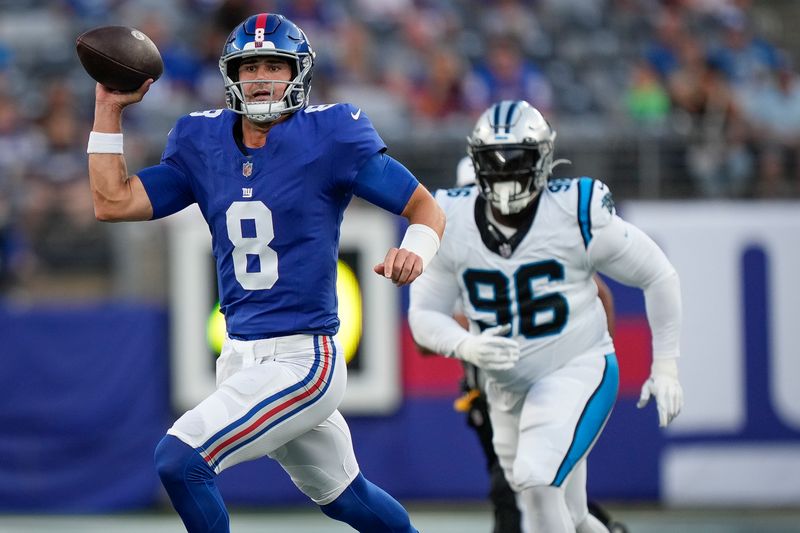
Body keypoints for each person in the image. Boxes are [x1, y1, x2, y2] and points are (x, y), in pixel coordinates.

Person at [85, 13, 445, 533]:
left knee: (181, 460)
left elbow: (424, 207)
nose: (260, 78)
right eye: (249, 66)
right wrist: (107, 109)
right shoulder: (200, 139)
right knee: (348, 497)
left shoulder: (331, 133)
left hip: (304, 361)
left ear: (297, 73)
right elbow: (112, 201)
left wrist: (415, 249)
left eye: (273, 66)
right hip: (239, 358)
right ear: (230, 74)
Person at [409, 100, 683, 533]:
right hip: (505, 389)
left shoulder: (577, 210)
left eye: (517, 160)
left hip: (575, 366)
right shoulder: (451, 216)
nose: (504, 173)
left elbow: (658, 274)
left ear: (544, 159)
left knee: (537, 483)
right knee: (570, 514)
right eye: (494, 162)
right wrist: (466, 344)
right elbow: (423, 316)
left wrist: (665, 365)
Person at [424, 157, 626, 533]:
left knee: (534, 488)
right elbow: (425, 334)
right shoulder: (454, 245)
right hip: (494, 389)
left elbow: (601, 295)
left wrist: (591, 362)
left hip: (548, 380)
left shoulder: (535, 236)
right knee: (538, 490)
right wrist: (466, 339)